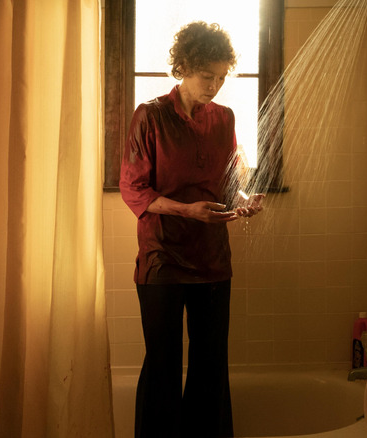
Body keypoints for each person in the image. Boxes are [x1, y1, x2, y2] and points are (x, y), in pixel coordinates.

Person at [119, 21, 264, 438]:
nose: (215, 86)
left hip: (213, 260)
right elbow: (133, 189)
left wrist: (244, 201)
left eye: (222, 77)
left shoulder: (225, 118)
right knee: (162, 363)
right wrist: (187, 211)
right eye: (207, 77)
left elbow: (231, 181)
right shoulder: (150, 116)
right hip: (162, 258)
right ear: (183, 67)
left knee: (210, 364)